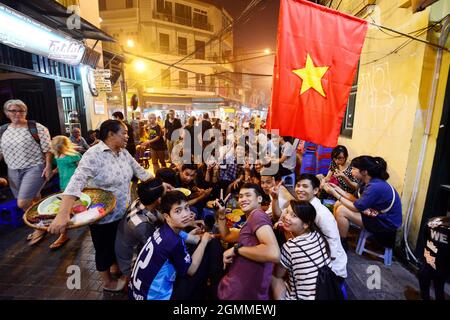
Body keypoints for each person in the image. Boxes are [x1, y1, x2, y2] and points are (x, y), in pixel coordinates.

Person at [48, 120, 153, 292]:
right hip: (102, 214)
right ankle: (106, 282)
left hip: (122, 210)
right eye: (124, 133)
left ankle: (115, 267)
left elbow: (140, 171)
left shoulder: (123, 152)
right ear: (111, 134)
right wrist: (63, 213)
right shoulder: (93, 154)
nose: (128, 136)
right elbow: (76, 181)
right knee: (103, 248)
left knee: (118, 244)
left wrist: (161, 184)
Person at [128, 191, 213, 300]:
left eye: (186, 208)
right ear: (167, 216)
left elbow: (188, 238)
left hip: (135, 293)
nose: (186, 214)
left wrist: (196, 236)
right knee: (202, 266)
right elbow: (191, 270)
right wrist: (204, 241)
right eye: (178, 211)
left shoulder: (163, 229)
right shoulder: (173, 241)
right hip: (154, 297)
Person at [273, 174, 347, 279]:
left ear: (315, 190)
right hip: (310, 252)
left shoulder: (322, 213)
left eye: (305, 186)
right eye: (298, 185)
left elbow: (332, 243)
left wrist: (319, 266)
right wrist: (275, 198)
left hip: (329, 268)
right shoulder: (299, 205)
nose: (300, 189)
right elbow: (279, 217)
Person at [0, 99, 52, 245]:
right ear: (6, 113)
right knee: (35, 199)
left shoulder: (36, 127)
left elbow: (48, 149)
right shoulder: (3, 130)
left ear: (26, 112)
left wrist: (48, 166)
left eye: (21, 110)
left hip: (35, 167)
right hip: (12, 170)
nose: (17, 113)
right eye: (13, 110)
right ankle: (45, 220)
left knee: (22, 202)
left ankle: (39, 227)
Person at [216, 183, 280, 300]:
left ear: (259, 199)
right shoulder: (251, 219)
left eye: (248, 195)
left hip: (245, 289)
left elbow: (273, 253)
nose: (243, 199)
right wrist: (221, 214)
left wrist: (236, 249)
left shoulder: (257, 215)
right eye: (240, 196)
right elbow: (227, 235)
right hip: (245, 286)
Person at [323, 156, 402, 250]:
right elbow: (356, 200)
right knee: (338, 204)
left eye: (354, 168)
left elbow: (356, 207)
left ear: (364, 172)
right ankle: (338, 236)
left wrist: (334, 193)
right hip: (376, 214)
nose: (351, 170)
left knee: (342, 210)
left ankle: (342, 244)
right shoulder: (367, 182)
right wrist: (337, 189)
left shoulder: (375, 187)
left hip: (386, 223)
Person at [271, 200, 332, 300]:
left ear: (305, 224)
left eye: (294, 216)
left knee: (273, 276)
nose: (286, 217)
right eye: (287, 212)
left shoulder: (290, 247)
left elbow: (278, 274)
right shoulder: (317, 235)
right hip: (326, 291)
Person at [48, 135, 82, 250]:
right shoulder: (57, 157)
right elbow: (59, 167)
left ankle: (64, 234)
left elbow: (82, 169)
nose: (56, 151)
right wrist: (52, 172)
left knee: (73, 208)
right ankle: (66, 231)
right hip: (63, 185)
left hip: (74, 186)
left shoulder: (74, 156)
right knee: (68, 209)